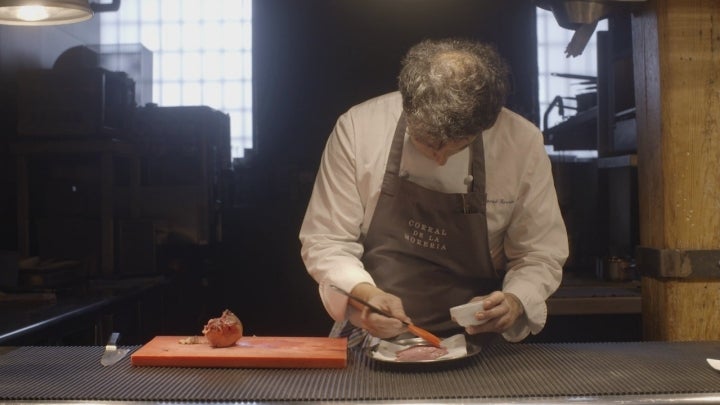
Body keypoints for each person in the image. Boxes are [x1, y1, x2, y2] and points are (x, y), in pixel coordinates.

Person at [299, 38, 568, 343]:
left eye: (457, 148)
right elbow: (326, 240)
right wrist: (363, 295)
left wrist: (515, 299)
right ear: (407, 102)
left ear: (487, 124)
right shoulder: (359, 129)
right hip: (370, 336)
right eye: (426, 144)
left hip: (480, 342)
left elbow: (539, 252)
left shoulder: (520, 142)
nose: (440, 159)